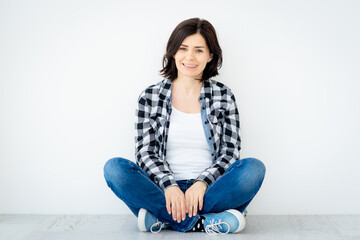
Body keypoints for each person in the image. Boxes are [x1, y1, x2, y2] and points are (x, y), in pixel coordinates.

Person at [103, 17, 266, 235]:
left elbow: (230, 152)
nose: (190, 57)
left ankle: (164, 219)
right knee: (114, 169)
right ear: (173, 52)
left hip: (209, 190)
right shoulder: (150, 97)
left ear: (210, 56)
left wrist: (201, 183)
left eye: (199, 50)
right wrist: (170, 186)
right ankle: (203, 223)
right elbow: (145, 152)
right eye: (183, 48)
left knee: (253, 169)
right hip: (162, 190)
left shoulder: (224, 96)